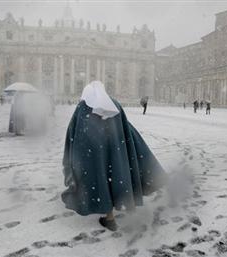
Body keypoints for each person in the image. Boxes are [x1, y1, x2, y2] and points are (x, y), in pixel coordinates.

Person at [61, 81, 166, 231]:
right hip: (116, 150)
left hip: (93, 154)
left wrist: (74, 154)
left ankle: (109, 217)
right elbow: (126, 127)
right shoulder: (114, 104)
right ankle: (121, 206)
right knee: (115, 177)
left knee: (100, 180)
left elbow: (73, 131)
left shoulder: (83, 107)